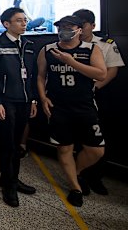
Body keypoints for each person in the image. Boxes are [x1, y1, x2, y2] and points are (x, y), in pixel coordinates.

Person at [37, 15, 106, 207]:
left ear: (79, 29)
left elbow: (101, 74)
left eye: (69, 26)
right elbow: (41, 76)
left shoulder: (91, 49)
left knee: (96, 150)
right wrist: (43, 98)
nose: (64, 30)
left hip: (85, 106)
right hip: (59, 107)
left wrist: (71, 62)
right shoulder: (48, 50)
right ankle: (75, 187)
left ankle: (75, 171)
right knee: (64, 147)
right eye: (61, 26)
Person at [0, 7, 38, 208]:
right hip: (6, 101)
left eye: (25, 20)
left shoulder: (29, 44)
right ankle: (8, 184)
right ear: (6, 24)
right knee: (7, 144)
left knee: (17, 144)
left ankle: (12, 178)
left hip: (25, 101)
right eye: (18, 20)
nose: (24, 23)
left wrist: (33, 100)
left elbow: (31, 76)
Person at [73, 9, 125, 195]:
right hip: (74, 96)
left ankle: (95, 177)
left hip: (98, 95)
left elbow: (112, 70)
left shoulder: (105, 45)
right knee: (78, 137)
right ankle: (78, 177)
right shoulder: (68, 44)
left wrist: (95, 87)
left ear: (92, 26)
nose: (79, 29)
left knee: (99, 138)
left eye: (83, 25)